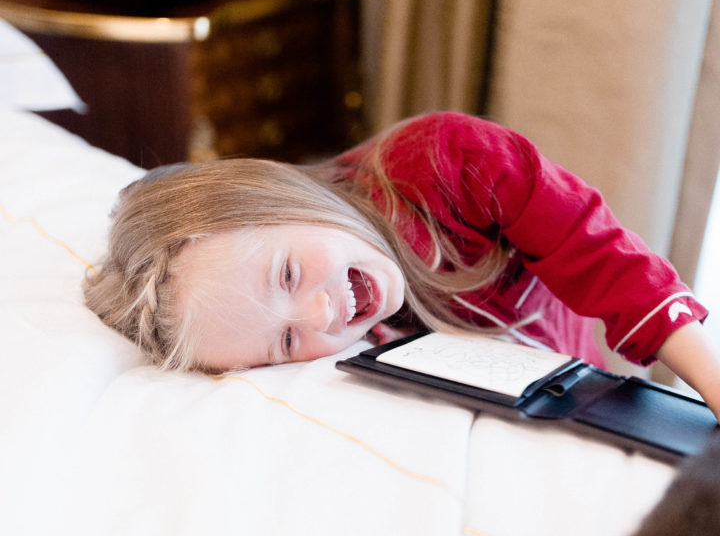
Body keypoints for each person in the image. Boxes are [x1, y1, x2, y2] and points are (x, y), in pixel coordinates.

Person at [83, 111, 720, 420]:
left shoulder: (448, 161)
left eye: (287, 274)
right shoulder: (347, 353)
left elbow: (602, 257)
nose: (321, 314)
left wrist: (707, 379)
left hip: (590, 368)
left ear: (278, 192)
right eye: (285, 341)